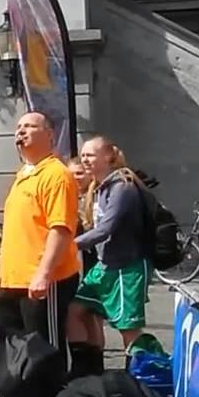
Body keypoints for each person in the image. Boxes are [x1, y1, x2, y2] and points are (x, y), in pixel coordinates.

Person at [0, 111, 85, 377]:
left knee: (44, 349)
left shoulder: (56, 174)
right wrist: (0, 265)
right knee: (10, 347)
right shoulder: (23, 175)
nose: (21, 131)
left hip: (42, 281)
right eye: (18, 127)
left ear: (49, 136)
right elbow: (19, 229)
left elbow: (61, 229)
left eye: (30, 126)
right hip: (13, 279)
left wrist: (43, 273)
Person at [72, 137, 149, 354]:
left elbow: (106, 228)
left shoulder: (122, 186)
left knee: (128, 328)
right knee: (76, 310)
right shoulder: (99, 188)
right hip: (104, 265)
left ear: (108, 157)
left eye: (91, 155)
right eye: (84, 155)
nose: (85, 159)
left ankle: (140, 374)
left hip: (127, 267)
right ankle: (88, 366)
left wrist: (68, 245)